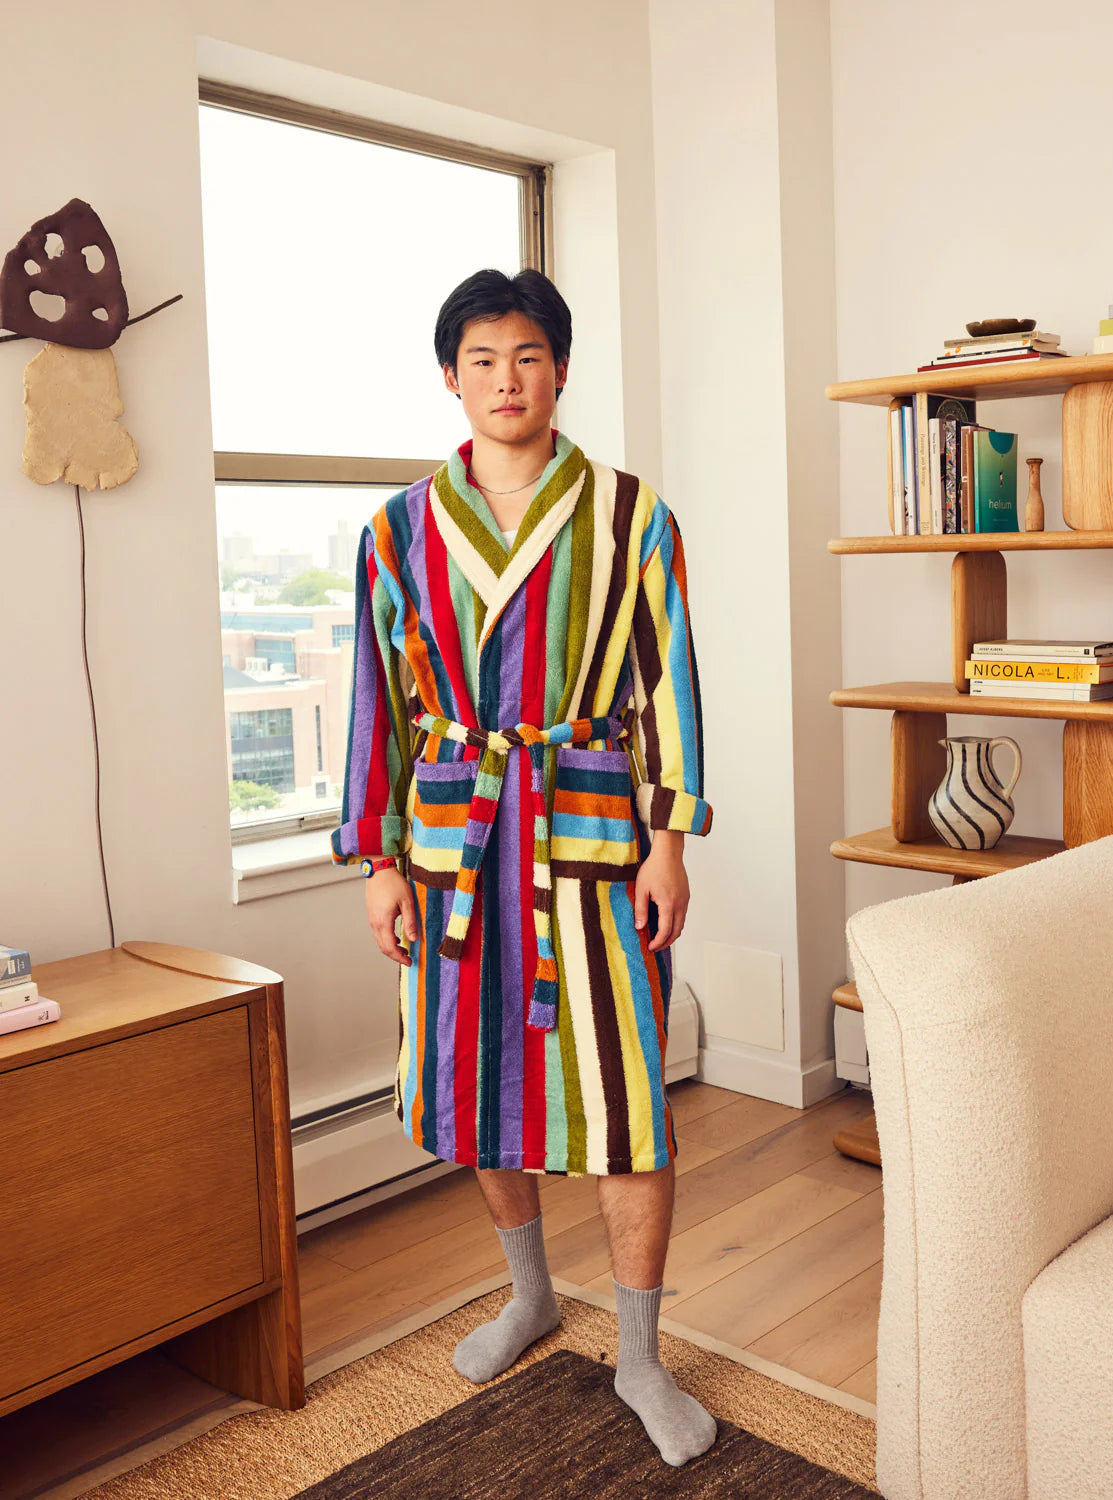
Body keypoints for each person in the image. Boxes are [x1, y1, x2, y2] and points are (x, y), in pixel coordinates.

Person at [331, 267, 715, 1467]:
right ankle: (532, 1296)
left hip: (593, 840)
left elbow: (667, 688)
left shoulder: (632, 517)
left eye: (531, 355)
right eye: (485, 358)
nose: (509, 378)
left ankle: (642, 1356)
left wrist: (667, 841)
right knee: (484, 1081)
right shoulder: (396, 530)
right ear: (452, 376)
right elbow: (378, 703)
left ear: (561, 370)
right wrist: (379, 862)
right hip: (454, 844)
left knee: (627, 1098)